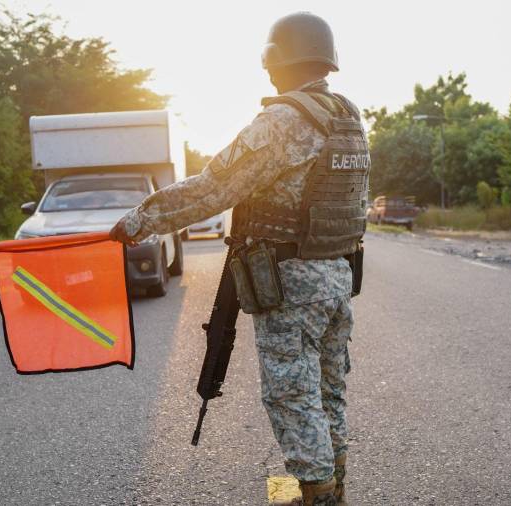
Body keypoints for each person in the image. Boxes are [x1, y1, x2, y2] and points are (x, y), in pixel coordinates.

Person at [110, 12, 369, 505]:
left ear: (277, 62)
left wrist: (141, 219)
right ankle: (334, 485)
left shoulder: (283, 121)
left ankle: (319, 496)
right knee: (328, 390)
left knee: (293, 396)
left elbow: (213, 189)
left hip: (292, 282)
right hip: (337, 273)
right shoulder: (347, 117)